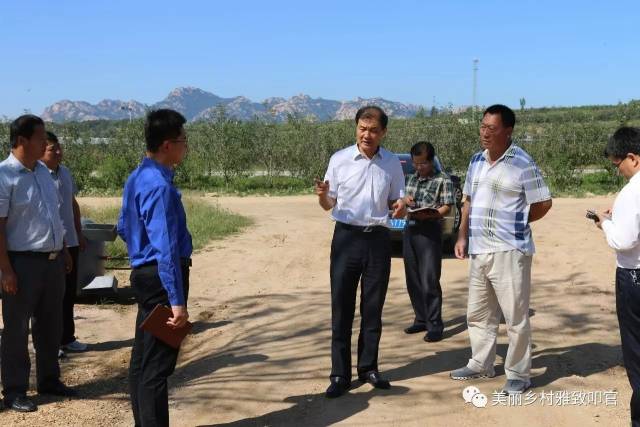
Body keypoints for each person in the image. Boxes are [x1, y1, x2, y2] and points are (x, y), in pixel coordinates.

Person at [450, 104, 552, 395]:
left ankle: (519, 374)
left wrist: (518, 222)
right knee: (478, 313)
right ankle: (480, 363)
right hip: (479, 249)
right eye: (482, 126)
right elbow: (467, 201)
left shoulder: (523, 163)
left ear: (507, 131)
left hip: (510, 249)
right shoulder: (476, 161)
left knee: (515, 317)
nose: (484, 133)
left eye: (491, 128)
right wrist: (461, 236)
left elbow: (543, 202)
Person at [315, 105, 406, 398]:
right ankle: (340, 374)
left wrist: (401, 206)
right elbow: (329, 203)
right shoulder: (339, 160)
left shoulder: (391, 163)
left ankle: (369, 368)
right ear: (356, 128)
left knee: (373, 307)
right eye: (362, 129)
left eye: (374, 130)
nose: (367, 135)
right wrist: (321, 197)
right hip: (346, 239)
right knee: (341, 307)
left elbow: (396, 201)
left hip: (378, 239)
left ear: (383, 133)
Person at [118, 109, 192, 427]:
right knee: (157, 367)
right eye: (183, 140)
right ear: (166, 145)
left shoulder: (138, 176)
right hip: (162, 279)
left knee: (143, 360)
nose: (186, 146)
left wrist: (139, 249)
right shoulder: (159, 185)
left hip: (145, 275)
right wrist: (177, 301)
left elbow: (123, 226)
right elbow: (166, 249)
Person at [0, 115, 76, 413]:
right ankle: (15, 390)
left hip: (53, 260)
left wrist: (64, 249)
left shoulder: (43, 173)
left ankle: (49, 380)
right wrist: (5, 269)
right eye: (41, 138)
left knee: (50, 324)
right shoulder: (5, 176)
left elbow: (55, 215)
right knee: (17, 329)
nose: (46, 143)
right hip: (22, 263)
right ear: (22, 141)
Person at [593, 126, 640, 426]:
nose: (618, 170)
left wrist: (605, 224)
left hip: (634, 277)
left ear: (633, 158)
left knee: (636, 354)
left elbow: (624, 241)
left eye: (617, 163)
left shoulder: (632, 190)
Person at [40, 131, 88, 357]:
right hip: (50, 244)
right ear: (41, 152)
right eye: (53, 149)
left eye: (59, 148)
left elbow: (72, 204)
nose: (59, 152)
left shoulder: (65, 173)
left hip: (70, 241)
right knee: (51, 296)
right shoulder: (39, 176)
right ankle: (52, 343)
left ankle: (67, 338)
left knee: (69, 293)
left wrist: (79, 233)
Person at [402, 141, 454, 343]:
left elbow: (447, 207)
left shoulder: (443, 180)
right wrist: (405, 200)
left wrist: (433, 214)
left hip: (430, 231)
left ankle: (435, 325)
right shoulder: (409, 179)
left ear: (431, 161)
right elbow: (402, 200)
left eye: (422, 164)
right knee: (413, 278)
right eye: (415, 164)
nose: (418, 168)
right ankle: (421, 318)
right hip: (410, 230)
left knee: (429, 279)